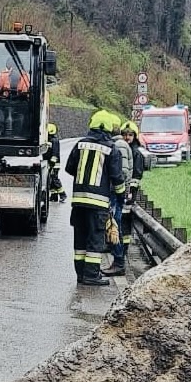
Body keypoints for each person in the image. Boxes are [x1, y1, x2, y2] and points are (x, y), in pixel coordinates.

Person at [65, 109, 125, 286]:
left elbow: (69, 168)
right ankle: (91, 275)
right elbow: (117, 178)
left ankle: (81, 274)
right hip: (98, 204)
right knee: (95, 239)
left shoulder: (80, 145)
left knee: (80, 239)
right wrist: (121, 197)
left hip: (78, 202)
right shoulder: (112, 149)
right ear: (108, 128)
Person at [101, 115, 132, 277]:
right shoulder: (120, 144)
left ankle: (118, 262)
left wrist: (116, 190)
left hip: (115, 193)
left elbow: (122, 172)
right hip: (117, 192)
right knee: (114, 225)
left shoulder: (118, 146)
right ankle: (117, 260)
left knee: (114, 225)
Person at [44, 123, 66, 202]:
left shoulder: (54, 140)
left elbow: (55, 152)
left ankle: (63, 194)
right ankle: (54, 196)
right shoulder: (49, 140)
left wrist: (52, 162)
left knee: (54, 179)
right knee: (50, 180)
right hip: (49, 163)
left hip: (54, 164)